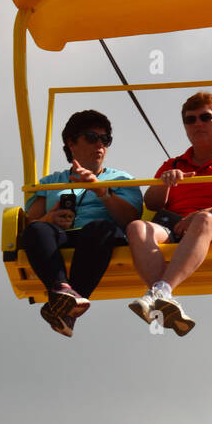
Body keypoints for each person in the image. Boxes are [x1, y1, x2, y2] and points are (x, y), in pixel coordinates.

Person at [127, 91, 212, 337]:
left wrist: (205, 214)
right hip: (176, 225)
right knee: (137, 227)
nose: (197, 124)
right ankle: (162, 296)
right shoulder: (175, 164)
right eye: (190, 120)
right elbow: (151, 202)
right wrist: (165, 184)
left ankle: (161, 291)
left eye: (205, 117)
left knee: (203, 221)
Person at [21, 110, 143, 336]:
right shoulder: (51, 182)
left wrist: (102, 192)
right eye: (91, 137)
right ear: (71, 142)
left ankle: (64, 303)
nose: (100, 145)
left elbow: (131, 219)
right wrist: (49, 219)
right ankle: (63, 291)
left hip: (97, 239)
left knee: (101, 229)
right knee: (38, 229)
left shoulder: (122, 180)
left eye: (105, 140)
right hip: (60, 237)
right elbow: (30, 224)